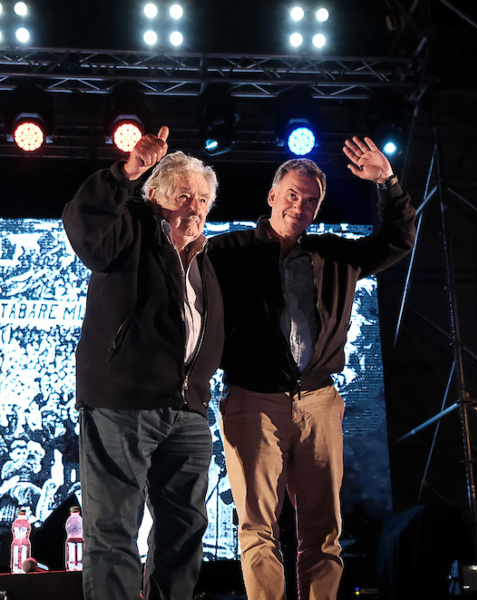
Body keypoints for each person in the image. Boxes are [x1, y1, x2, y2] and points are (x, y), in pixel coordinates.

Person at [207, 136, 416, 600]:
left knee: (323, 530)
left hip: (319, 401)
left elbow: (398, 238)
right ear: (272, 197)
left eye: (310, 200)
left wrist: (388, 183)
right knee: (258, 526)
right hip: (252, 400)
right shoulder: (227, 252)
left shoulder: (336, 256)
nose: (299, 206)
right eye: (292, 196)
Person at [62, 126, 224, 600]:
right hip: (122, 403)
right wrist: (126, 171)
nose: (194, 206)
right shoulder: (127, 230)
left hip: (187, 413)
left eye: (203, 199)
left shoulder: (205, 260)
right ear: (154, 195)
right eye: (184, 194)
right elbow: (84, 223)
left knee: (184, 534)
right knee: (112, 535)